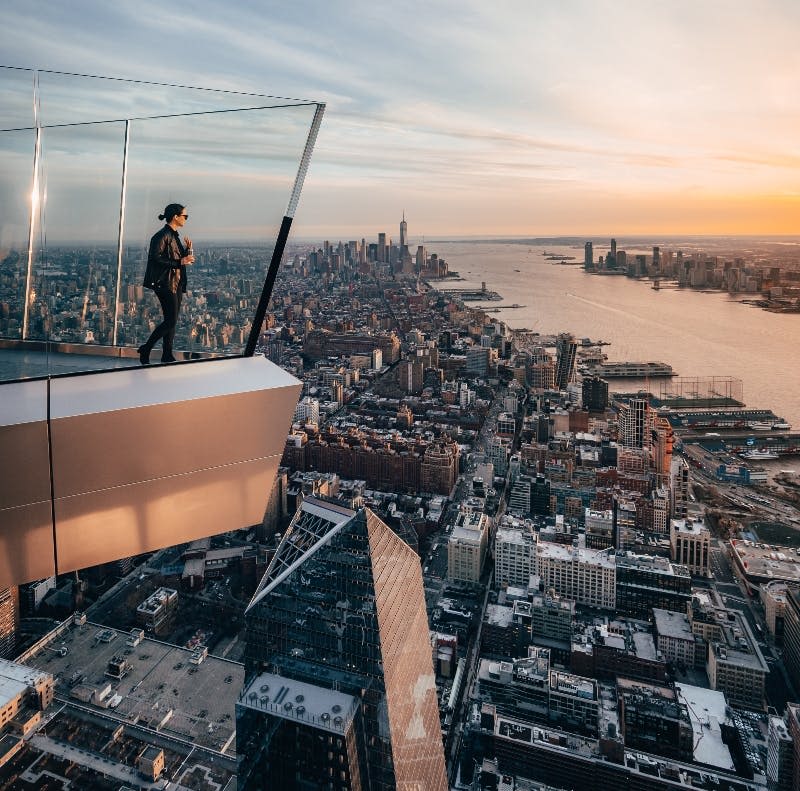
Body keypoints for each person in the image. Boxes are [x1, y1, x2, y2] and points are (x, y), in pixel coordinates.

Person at [138, 203, 194, 364]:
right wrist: (180, 262)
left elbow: (176, 258)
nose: (186, 219)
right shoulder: (161, 236)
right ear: (176, 217)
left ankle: (167, 354)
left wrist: (188, 251)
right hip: (165, 283)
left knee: (172, 320)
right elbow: (156, 258)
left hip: (175, 282)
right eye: (185, 216)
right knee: (170, 320)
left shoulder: (174, 235)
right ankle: (146, 348)